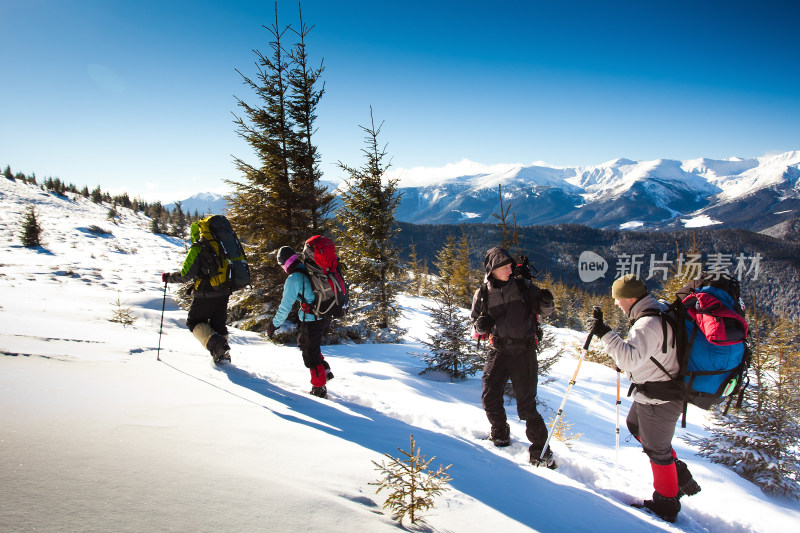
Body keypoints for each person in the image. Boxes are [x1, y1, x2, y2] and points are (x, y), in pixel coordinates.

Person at [588, 273, 701, 523]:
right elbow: (642, 354)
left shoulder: (647, 323)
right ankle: (677, 472)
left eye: (618, 299)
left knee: (657, 452)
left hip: (660, 399)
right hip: (652, 393)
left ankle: (666, 503)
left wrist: (606, 334)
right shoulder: (654, 309)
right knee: (635, 425)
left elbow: (629, 358)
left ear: (628, 298)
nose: (616, 303)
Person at [470, 247, 555, 466]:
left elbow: (546, 311)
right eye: (505, 267)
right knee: (489, 397)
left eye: (510, 266)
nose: (511, 270)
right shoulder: (483, 293)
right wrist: (480, 325)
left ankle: (541, 453)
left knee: (526, 406)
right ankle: (500, 433)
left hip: (523, 351)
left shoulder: (523, 287)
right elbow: (475, 328)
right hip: (497, 350)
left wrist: (546, 302)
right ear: (493, 270)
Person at [267, 246, 334, 398]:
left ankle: (319, 388)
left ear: (284, 263)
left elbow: (285, 307)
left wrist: (274, 324)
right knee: (306, 344)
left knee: (310, 354)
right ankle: (325, 371)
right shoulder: (308, 268)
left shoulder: (293, 279)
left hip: (312, 319)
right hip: (324, 315)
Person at [162, 220, 231, 363]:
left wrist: (169, 278)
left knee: (193, 322)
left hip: (206, 293)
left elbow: (186, 274)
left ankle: (219, 348)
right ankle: (223, 355)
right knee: (218, 324)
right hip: (224, 291)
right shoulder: (223, 245)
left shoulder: (198, 248)